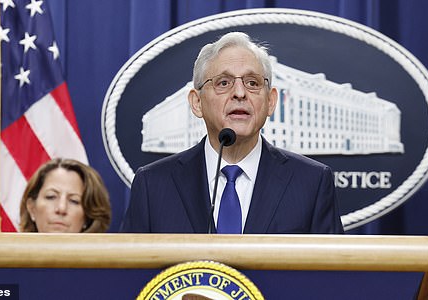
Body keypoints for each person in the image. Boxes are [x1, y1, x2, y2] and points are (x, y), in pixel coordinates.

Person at [120, 32, 343, 234]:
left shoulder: (311, 182)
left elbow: (332, 276)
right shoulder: (153, 184)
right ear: (197, 103)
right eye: (223, 82)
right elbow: (131, 275)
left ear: (271, 101)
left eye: (252, 83)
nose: (239, 93)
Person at [19, 158, 111, 233]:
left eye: (74, 201)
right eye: (51, 197)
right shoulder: (7, 255)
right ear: (32, 208)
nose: (61, 208)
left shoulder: (114, 256)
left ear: (88, 218)